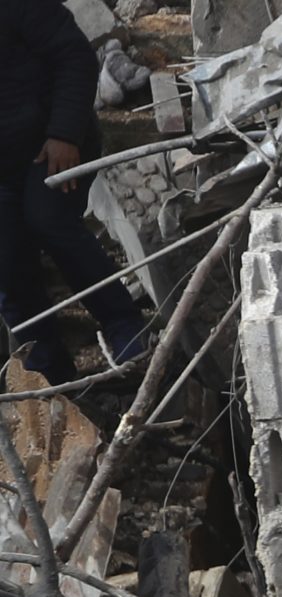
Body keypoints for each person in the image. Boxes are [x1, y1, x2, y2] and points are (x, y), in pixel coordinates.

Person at [0, 0, 150, 385]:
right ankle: (47, 370)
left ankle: (123, 323)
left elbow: (74, 58)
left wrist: (65, 133)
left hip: (52, 143)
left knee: (48, 220)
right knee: (7, 256)